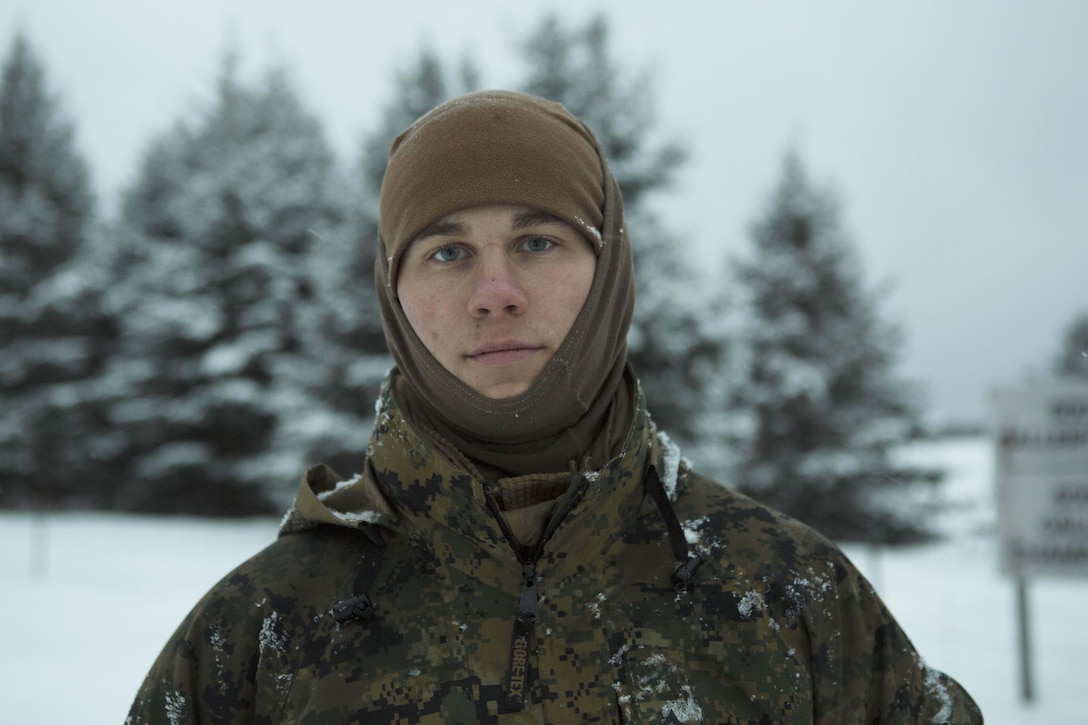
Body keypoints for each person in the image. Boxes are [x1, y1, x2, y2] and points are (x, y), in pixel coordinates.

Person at [126, 90, 982, 724]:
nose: (494, 292)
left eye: (538, 241)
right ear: (393, 291)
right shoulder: (264, 627)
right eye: (447, 250)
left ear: (610, 270)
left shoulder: (791, 596)